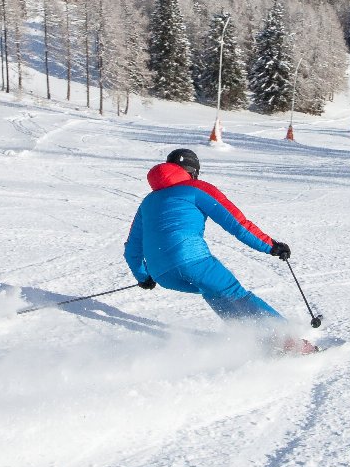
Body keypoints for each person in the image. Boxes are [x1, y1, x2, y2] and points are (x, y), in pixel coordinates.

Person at [123, 148, 316, 353]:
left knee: (214, 292)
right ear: (193, 171)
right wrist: (271, 246)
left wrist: (144, 276)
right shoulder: (196, 188)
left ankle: (256, 340)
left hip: (162, 274)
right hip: (192, 261)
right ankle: (292, 343)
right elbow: (237, 224)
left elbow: (132, 250)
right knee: (235, 294)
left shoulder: (148, 202)